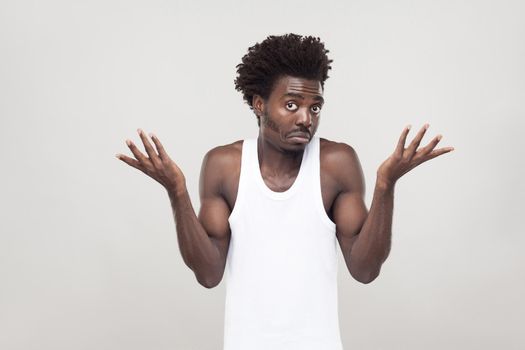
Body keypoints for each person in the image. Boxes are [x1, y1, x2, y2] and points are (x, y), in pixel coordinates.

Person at [115, 33, 455, 350]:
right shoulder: (225, 166)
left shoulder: (335, 164)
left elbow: (365, 271)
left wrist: (385, 185)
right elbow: (208, 274)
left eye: (315, 106)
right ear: (259, 104)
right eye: (292, 105)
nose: (306, 118)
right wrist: (177, 191)